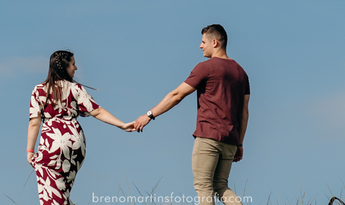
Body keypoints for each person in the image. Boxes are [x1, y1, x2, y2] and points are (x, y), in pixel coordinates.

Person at [132, 25, 250, 205]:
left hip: (208, 137)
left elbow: (176, 95)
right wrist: (239, 143)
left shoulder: (206, 68)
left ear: (214, 42)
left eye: (203, 42)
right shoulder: (241, 73)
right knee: (220, 186)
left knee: (204, 186)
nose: (200, 46)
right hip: (231, 141)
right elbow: (244, 113)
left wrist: (149, 115)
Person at [27, 50, 134, 205]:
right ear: (64, 67)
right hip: (75, 143)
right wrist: (122, 124)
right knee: (62, 193)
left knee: (51, 195)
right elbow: (96, 111)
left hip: (52, 144)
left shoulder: (39, 90)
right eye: (73, 64)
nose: (75, 68)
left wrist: (30, 151)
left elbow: (34, 122)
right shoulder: (75, 88)